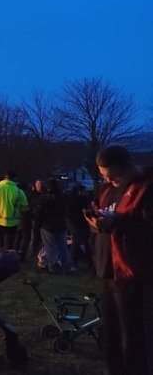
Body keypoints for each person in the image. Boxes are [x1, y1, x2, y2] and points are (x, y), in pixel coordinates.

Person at [86, 145, 153, 374]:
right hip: (107, 272)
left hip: (134, 274)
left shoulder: (146, 187)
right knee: (112, 338)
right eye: (103, 174)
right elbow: (104, 217)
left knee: (134, 341)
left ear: (126, 166)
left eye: (111, 174)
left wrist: (118, 223)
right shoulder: (107, 189)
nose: (108, 178)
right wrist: (96, 223)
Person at [0, 171, 29, 255]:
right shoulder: (19, 192)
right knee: (9, 244)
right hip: (12, 223)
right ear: (15, 179)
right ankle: (7, 261)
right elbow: (25, 208)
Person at [36, 178, 75, 274]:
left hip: (48, 225)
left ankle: (53, 266)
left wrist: (38, 224)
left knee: (50, 247)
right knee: (63, 246)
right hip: (61, 225)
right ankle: (68, 266)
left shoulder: (44, 199)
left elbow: (40, 213)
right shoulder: (64, 198)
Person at [65, 184, 92, 270]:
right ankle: (73, 263)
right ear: (79, 192)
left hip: (82, 224)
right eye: (84, 191)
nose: (86, 193)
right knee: (77, 243)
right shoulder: (77, 201)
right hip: (77, 225)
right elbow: (70, 214)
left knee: (85, 243)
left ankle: (89, 263)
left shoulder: (81, 200)